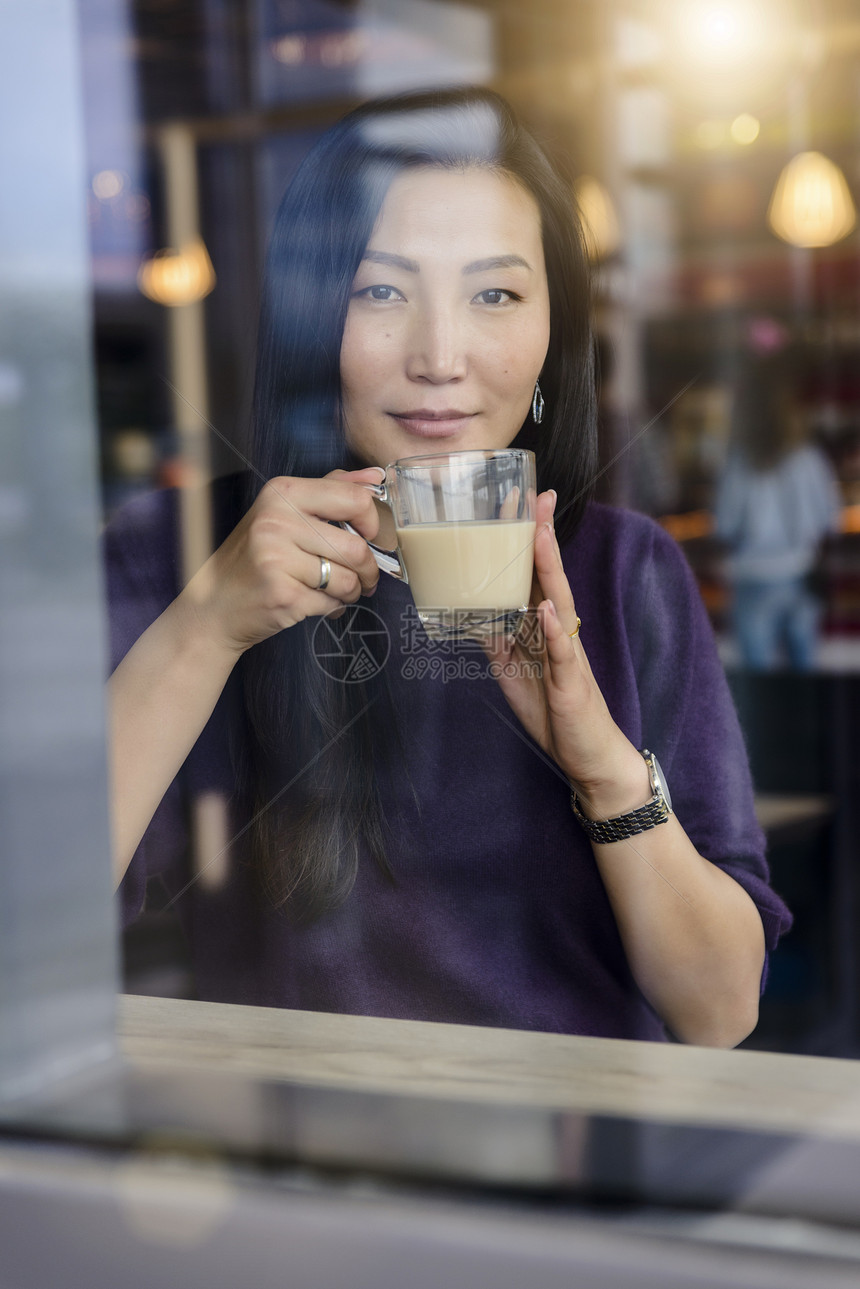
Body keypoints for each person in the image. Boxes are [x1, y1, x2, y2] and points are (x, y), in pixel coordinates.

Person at [106, 88, 790, 1046]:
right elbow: (37, 918)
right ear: (311, 320)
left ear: (554, 336)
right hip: (293, 1163)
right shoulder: (182, 553)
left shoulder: (625, 571)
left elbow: (719, 1011)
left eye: (495, 294)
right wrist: (208, 623)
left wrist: (599, 767)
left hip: (573, 1171)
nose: (440, 356)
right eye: (381, 290)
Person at [715, 354, 841, 670]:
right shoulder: (808, 459)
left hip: (752, 578)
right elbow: (830, 519)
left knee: (760, 687)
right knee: (804, 677)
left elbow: (725, 524)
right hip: (800, 572)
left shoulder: (740, 462)